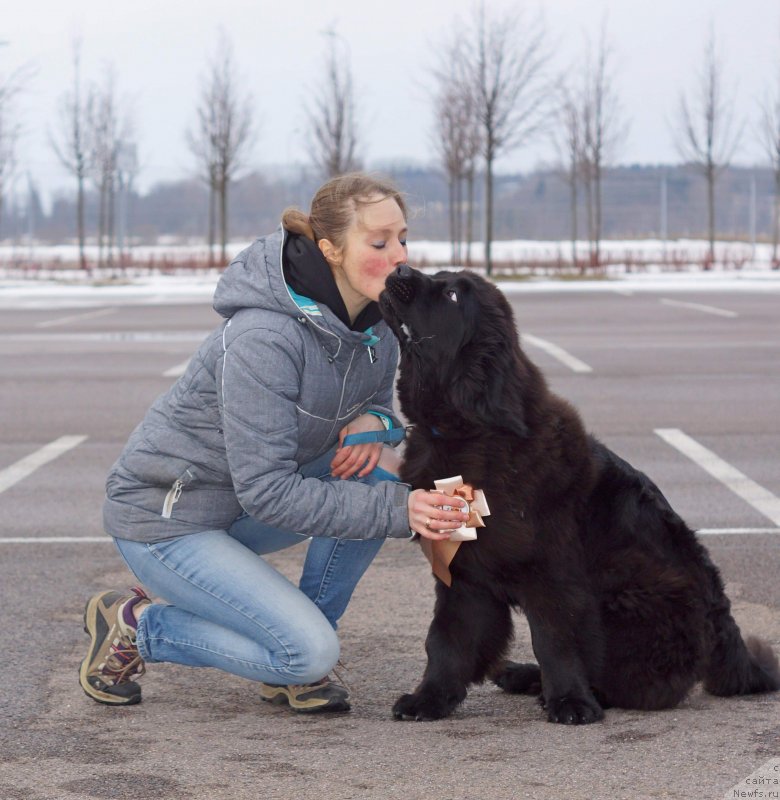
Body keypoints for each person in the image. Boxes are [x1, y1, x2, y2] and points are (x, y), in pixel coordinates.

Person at [79, 172, 468, 713]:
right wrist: (404, 509)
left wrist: (377, 424)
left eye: (402, 238)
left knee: (373, 477)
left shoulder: (377, 327)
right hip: (169, 519)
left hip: (241, 505)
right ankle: (138, 626)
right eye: (379, 243)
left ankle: (292, 657)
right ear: (329, 249)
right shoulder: (265, 336)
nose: (399, 256)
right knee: (310, 647)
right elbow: (267, 491)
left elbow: (383, 406)